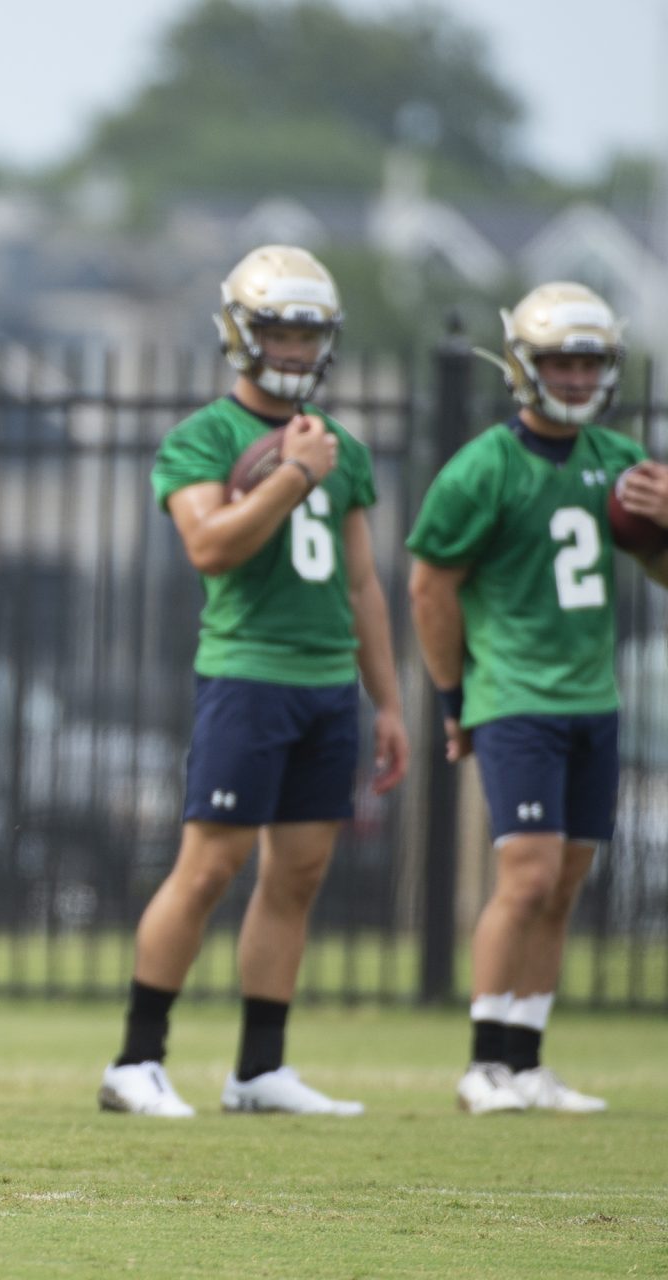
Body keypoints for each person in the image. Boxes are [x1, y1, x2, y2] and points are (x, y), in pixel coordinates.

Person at [99, 245, 409, 1118]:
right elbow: (212, 547)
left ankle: (259, 1068)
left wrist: (387, 701)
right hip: (247, 676)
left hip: (325, 686)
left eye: (308, 333)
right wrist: (293, 474)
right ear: (240, 332)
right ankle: (136, 1059)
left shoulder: (341, 447)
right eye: (278, 328)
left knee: (300, 874)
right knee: (207, 869)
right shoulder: (205, 436)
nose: (295, 347)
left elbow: (362, 586)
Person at [408, 282, 663, 1115]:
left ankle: (526, 1060)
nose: (579, 374)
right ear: (523, 363)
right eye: (562, 358)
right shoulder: (484, 466)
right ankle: (482, 1062)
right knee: (525, 874)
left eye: (591, 359)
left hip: (592, 695)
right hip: (515, 693)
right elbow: (429, 588)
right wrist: (455, 696)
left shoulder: (619, 463)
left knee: (563, 885)